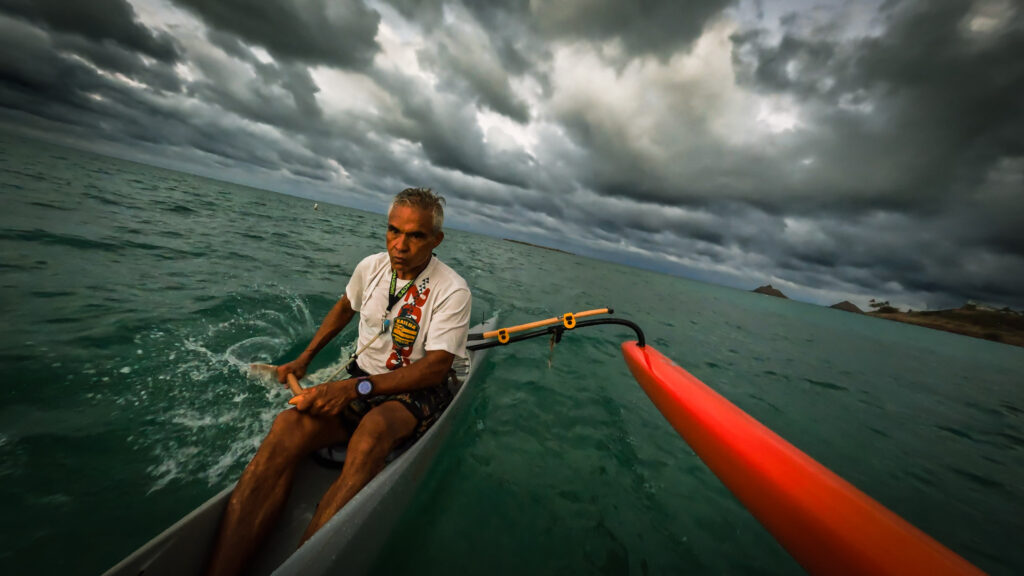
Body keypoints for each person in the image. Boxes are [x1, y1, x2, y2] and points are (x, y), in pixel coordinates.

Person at [206, 188, 471, 576]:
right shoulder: (371, 267)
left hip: (416, 389)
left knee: (372, 432)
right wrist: (305, 357)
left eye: (415, 236)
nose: (400, 245)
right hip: (362, 379)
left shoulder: (453, 289)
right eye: (393, 231)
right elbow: (345, 307)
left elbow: (436, 368)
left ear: (436, 240)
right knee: (286, 426)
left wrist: (353, 388)